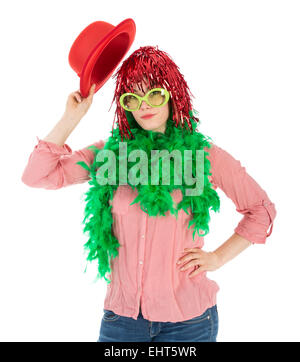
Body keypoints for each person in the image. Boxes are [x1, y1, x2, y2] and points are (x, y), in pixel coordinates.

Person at [21, 46, 277, 342]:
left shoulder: (204, 156)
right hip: (121, 321)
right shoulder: (109, 155)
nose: (145, 104)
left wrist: (217, 258)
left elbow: (261, 209)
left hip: (188, 321)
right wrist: (72, 117)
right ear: (125, 106)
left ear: (172, 94)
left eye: (154, 93)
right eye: (132, 97)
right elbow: (37, 176)